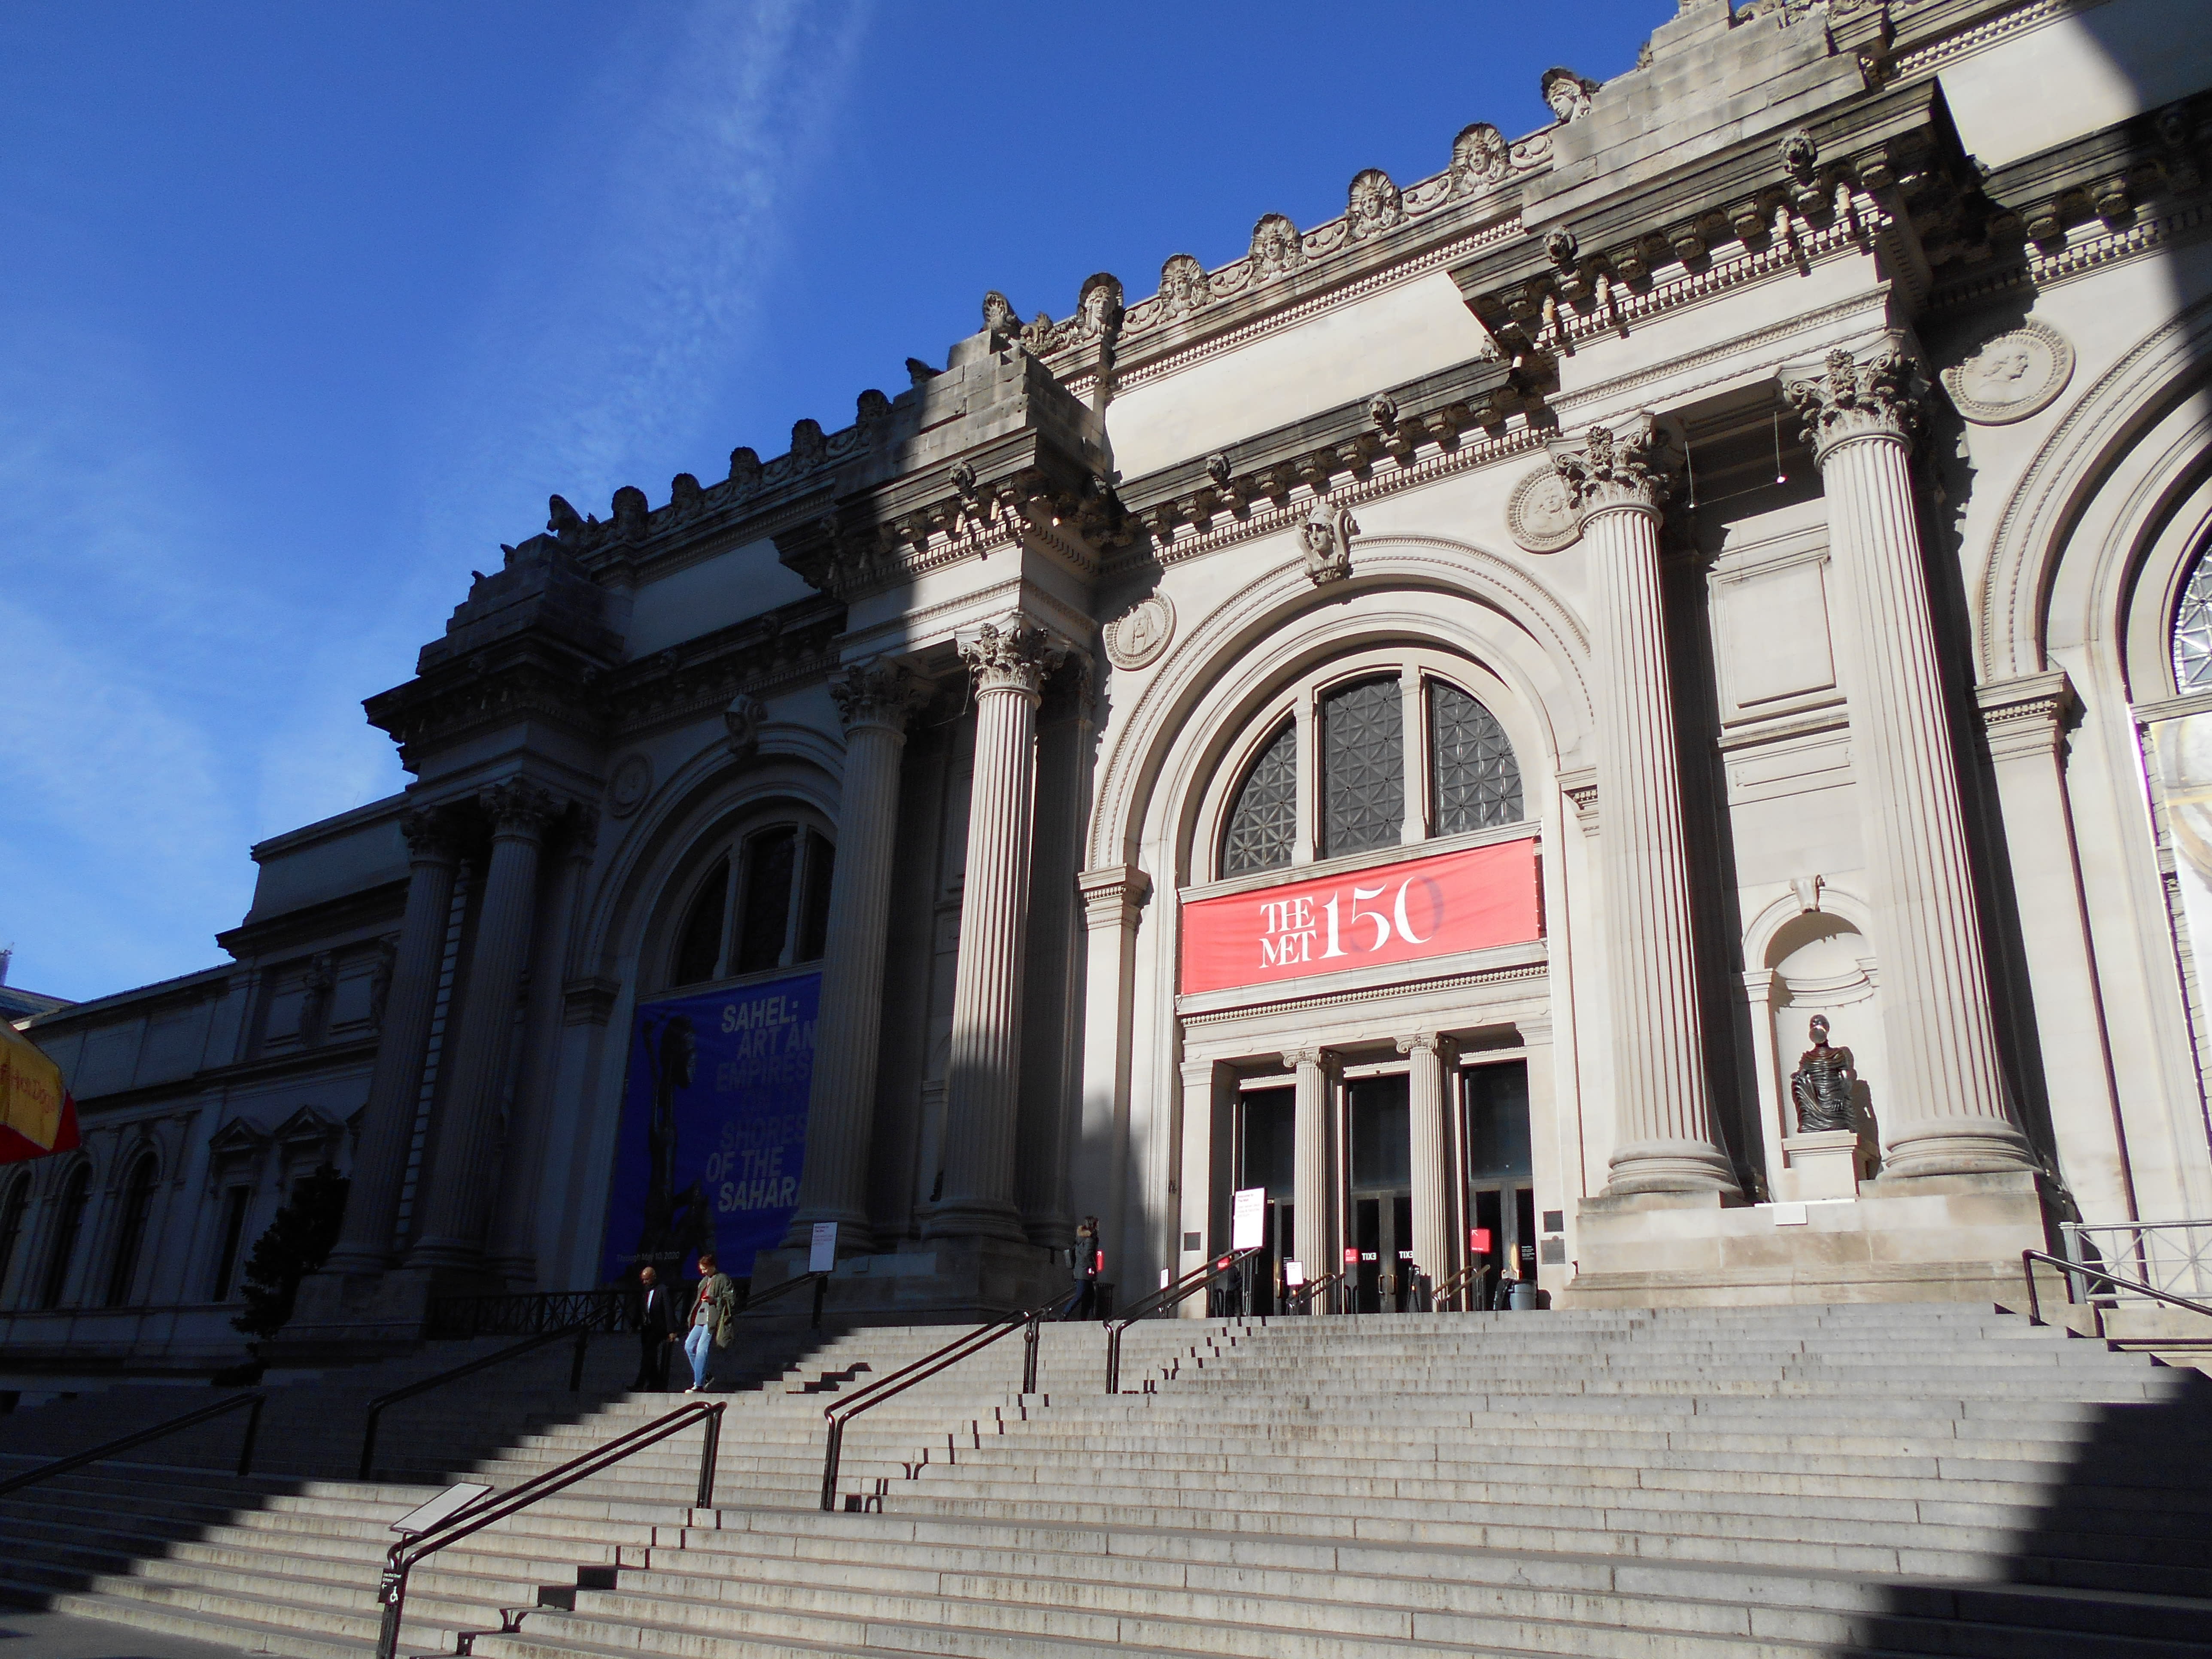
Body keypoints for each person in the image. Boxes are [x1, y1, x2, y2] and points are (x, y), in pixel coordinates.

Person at [681, 1251, 735, 1392]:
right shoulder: (704, 1281)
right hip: (700, 1318)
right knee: (689, 1346)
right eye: (702, 1269)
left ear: (712, 1266)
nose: (704, 1272)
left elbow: (731, 1300)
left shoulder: (722, 1279)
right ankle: (704, 1376)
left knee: (702, 1350)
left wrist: (715, 1300)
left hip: (711, 1319)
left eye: (705, 1269)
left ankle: (699, 1384)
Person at [633, 1264, 677, 1391]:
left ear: (653, 1278)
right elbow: (640, 1309)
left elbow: (668, 1310)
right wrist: (634, 1325)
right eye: (643, 1280)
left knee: (648, 1355)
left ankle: (640, 1384)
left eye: (647, 1279)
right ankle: (656, 1382)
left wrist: (671, 1331)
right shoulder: (644, 1291)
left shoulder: (662, 1290)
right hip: (646, 1328)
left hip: (658, 1328)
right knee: (649, 1356)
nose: (645, 1282)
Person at [1071, 1216, 1103, 1320]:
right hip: (1085, 1272)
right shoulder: (1090, 1239)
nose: (1098, 1226)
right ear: (1093, 1225)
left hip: (1082, 1271)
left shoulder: (1082, 1239)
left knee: (1090, 1297)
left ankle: (1085, 1318)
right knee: (1080, 1295)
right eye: (1097, 1224)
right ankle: (1064, 1314)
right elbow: (1087, 1255)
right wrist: (1093, 1267)